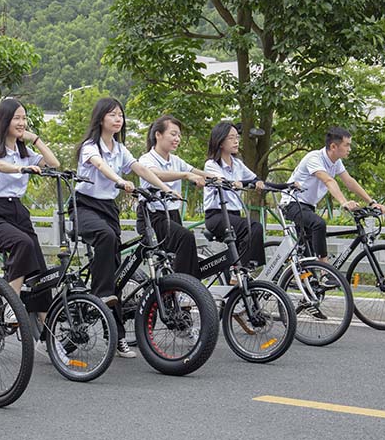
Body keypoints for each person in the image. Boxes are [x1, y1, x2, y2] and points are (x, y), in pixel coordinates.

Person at [73, 97, 179, 358]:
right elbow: (100, 165)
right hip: (84, 207)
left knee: (116, 271)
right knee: (106, 240)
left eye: (120, 115)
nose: (118, 119)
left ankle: (117, 336)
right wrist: (120, 181)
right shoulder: (90, 146)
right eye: (112, 115)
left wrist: (165, 189)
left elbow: (139, 168)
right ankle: (99, 294)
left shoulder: (120, 149)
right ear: (100, 119)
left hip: (108, 209)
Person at [0, 98, 60, 342]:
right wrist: (19, 170)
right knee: (22, 244)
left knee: (42, 275)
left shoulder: (26, 153)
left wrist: (35, 139)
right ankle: (11, 304)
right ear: (4, 120)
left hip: (19, 213)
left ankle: (50, 335)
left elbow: (54, 164)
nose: (22, 122)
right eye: (17, 118)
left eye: (24, 118)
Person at [280, 126, 385, 262]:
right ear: (333, 146)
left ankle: (307, 278)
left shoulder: (336, 162)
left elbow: (349, 181)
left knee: (308, 257)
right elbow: (328, 180)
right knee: (319, 224)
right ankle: (325, 271)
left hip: (308, 206)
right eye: (347, 145)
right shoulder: (314, 158)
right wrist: (344, 202)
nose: (350, 149)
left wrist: (371, 202)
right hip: (292, 203)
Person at [136, 115, 221, 278]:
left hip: (172, 215)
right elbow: (157, 174)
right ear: (158, 135)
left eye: (179, 135)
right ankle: (183, 286)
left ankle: (179, 288)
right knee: (186, 238)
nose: (177, 139)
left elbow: (195, 171)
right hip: (153, 216)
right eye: (173, 134)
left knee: (176, 253)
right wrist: (185, 175)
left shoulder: (176, 160)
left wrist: (219, 179)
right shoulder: (146, 159)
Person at [203, 121, 267, 269]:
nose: (236, 141)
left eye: (237, 137)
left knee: (249, 231)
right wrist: (234, 183)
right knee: (254, 227)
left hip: (233, 215)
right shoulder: (211, 164)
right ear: (220, 142)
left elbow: (253, 178)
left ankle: (238, 272)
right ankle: (243, 269)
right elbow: (221, 180)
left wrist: (258, 183)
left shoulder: (237, 163)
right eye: (231, 138)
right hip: (216, 216)